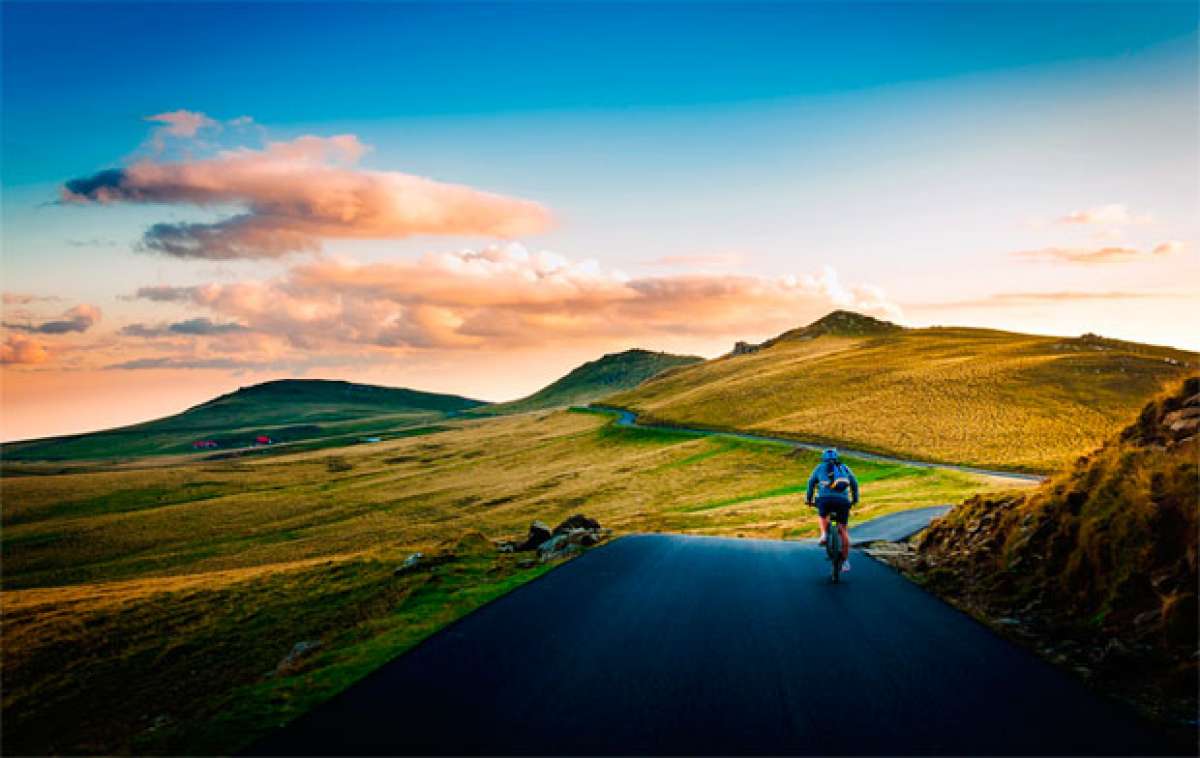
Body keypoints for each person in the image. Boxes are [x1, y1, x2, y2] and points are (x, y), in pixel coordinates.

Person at [805, 448, 859, 571]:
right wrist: (854, 499)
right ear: (837, 458)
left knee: (823, 515)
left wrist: (809, 499)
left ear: (823, 458)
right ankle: (845, 561)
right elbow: (854, 484)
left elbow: (811, 483)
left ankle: (824, 534)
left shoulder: (819, 468)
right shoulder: (844, 468)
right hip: (842, 501)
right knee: (843, 530)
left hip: (825, 500)